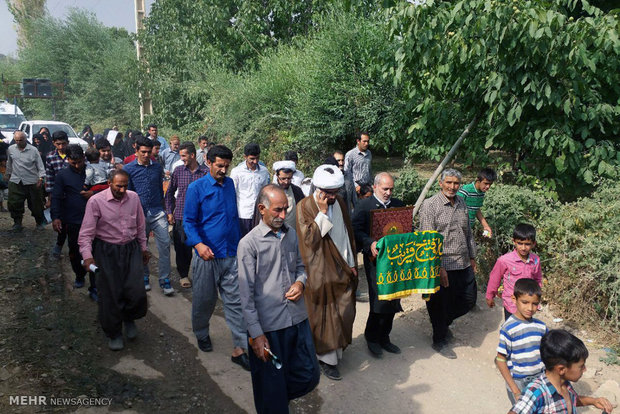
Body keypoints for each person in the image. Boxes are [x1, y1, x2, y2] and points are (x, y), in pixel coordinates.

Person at [238, 185, 320, 414]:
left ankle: (278, 398)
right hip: (269, 329)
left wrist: (300, 282)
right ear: (262, 209)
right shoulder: (248, 244)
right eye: (277, 210)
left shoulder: (291, 234)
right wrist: (256, 335)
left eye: (285, 209)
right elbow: (245, 295)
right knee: (270, 393)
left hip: (297, 319)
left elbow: (300, 268)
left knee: (309, 375)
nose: (283, 216)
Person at [183, 144, 251, 371]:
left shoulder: (231, 184)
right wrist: (199, 244)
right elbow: (188, 222)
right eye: (219, 165)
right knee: (204, 300)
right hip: (206, 257)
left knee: (236, 302)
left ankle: (241, 348)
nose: (223, 170)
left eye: (226, 166)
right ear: (208, 162)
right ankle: (201, 332)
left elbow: (233, 218)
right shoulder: (196, 188)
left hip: (230, 254)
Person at [296, 164, 358, 381]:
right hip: (319, 272)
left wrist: (351, 262)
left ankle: (337, 351)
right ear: (319, 189)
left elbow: (346, 236)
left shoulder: (340, 202)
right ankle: (326, 360)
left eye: (335, 193)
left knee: (344, 310)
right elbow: (309, 240)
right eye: (329, 193)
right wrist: (321, 212)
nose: (333, 197)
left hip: (342, 267)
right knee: (325, 315)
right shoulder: (304, 206)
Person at [78, 169, 150, 351]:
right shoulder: (96, 201)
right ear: (109, 183)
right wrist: (87, 256)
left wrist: (143, 248)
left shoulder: (133, 198)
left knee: (135, 289)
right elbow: (86, 233)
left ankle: (129, 318)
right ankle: (114, 332)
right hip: (107, 251)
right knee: (111, 293)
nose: (123, 190)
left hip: (131, 249)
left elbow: (141, 226)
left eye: (125, 186)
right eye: (119, 186)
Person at [419, 168, 476, 359]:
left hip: (462, 261)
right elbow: (427, 241)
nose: (452, 187)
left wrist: (473, 258)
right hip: (442, 264)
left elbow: (468, 233)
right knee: (438, 304)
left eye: (456, 183)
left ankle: (443, 323)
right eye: (449, 183)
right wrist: (438, 267)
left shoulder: (462, 203)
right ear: (440, 183)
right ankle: (439, 340)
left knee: (469, 300)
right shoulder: (430, 206)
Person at [352, 172, 405, 358]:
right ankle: (372, 337)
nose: (388, 192)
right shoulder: (364, 206)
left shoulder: (398, 205)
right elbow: (356, 230)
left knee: (393, 297)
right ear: (375, 187)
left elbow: (406, 228)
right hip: (375, 260)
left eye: (391, 189)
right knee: (379, 297)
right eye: (385, 189)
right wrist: (369, 243)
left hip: (397, 261)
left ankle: (385, 337)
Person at [508, 329, 613, 414]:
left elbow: (570, 401)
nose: (585, 369)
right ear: (562, 369)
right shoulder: (536, 392)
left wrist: (593, 401)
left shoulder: (564, 384)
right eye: (581, 366)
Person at [124, 138, 173, 296]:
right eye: (142, 152)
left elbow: (160, 188)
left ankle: (165, 279)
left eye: (148, 152)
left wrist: (164, 209)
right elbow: (128, 194)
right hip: (139, 214)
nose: (146, 155)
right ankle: (144, 276)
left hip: (157, 212)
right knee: (140, 246)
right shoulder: (128, 169)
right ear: (136, 150)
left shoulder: (157, 167)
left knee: (165, 244)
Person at [51, 145, 96, 297]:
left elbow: (106, 187)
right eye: (73, 163)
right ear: (68, 160)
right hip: (73, 219)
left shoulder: (92, 171)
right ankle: (79, 274)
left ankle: (95, 282)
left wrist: (93, 193)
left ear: (84, 158)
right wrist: (56, 217)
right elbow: (56, 197)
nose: (77, 166)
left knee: (94, 250)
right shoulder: (62, 175)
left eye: (79, 162)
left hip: (95, 219)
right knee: (75, 251)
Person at [496, 279, 547, 404]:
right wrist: (515, 390)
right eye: (525, 302)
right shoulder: (508, 328)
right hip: (519, 382)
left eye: (534, 304)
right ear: (514, 299)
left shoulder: (542, 327)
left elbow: (548, 353)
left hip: (539, 379)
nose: (530, 308)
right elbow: (501, 359)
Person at [164, 142, 208, 289]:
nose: (181, 158)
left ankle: (201, 276)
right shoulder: (178, 171)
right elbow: (170, 193)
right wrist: (169, 211)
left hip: (200, 219)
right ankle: (183, 275)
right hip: (181, 217)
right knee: (181, 248)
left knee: (200, 248)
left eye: (184, 156)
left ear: (192, 155)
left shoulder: (205, 173)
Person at [486, 224, 543, 320]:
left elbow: (538, 279)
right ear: (514, 242)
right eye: (520, 243)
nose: (523, 248)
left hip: (528, 304)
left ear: (534, 244)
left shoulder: (535, 260)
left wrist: (536, 298)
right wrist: (490, 296)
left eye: (527, 244)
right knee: (511, 329)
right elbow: (494, 278)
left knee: (525, 329)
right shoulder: (504, 260)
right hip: (511, 304)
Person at [5, 131, 46, 231]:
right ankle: (17, 223)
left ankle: (39, 222)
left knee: (36, 204)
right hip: (16, 180)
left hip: (32, 181)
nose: (18, 142)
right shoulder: (11, 149)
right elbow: (9, 163)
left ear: (25, 139)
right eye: (16, 140)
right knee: (14, 203)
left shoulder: (33, 150)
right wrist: (8, 175)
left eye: (21, 140)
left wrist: (41, 178)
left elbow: (40, 166)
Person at [231, 142, 270, 237]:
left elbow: (265, 192)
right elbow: (232, 193)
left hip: (259, 214)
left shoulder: (264, 171)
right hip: (243, 214)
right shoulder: (237, 172)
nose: (255, 161)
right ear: (245, 157)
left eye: (257, 158)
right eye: (252, 159)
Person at [46, 131, 70, 256]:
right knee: (61, 221)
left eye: (63, 144)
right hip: (58, 195)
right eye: (58, 144)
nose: (61, 147)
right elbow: (49, 179)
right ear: (54, 143)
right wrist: (50, 198)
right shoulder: (50, 157)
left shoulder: (73, 155)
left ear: (68, 142)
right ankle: (59, 244)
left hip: (72, 194)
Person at [457, 168, 496, 237]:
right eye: (486, 183)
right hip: (458, 229)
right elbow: (453, 207)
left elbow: (476, 209)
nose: (488, 187)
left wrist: (485, 225)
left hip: (468, 229)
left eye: (490, 184)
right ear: (478, 180)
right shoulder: (465, 191)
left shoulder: (481, 193)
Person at [272, 160, 305, 229]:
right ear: (277, 176)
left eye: (289, 178)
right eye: (283, 179)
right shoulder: (270, 192)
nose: (286, 182)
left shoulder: (297, 191)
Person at [344, 132, 372, 207]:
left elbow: (369, 170)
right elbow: (347, 172)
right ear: (358, 141)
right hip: (355, 187)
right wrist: (355, 185)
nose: (366, 144)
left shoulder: (369, 153)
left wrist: (371, 184)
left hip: (367, 186)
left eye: (368, 141)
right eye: (364, 141)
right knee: (357, 208)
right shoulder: (350, 154)